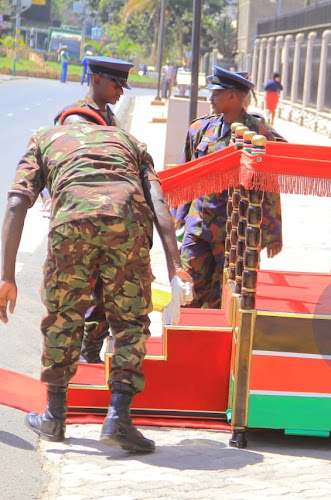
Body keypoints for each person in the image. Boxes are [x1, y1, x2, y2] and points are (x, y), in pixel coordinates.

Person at [0, 109, 192, 453]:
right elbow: (159, 203)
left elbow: (17, 201)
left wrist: (7, 276)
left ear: (64, 124)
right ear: (103, 129)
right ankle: (118, 416)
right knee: (130, 320)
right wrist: (176, 264)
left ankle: (55, 416)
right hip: (128, 223)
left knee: (63, 316)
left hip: (72, 222)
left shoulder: (45, 138)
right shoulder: (130, 141)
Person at [174, 66, 284, 309]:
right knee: (186, 291)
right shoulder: (200, 129)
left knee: (225, 299)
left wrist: (273, 231)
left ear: (233, 96)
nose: (210, 98)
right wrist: (179, 214)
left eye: (216, 93)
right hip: (199, 225)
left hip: (235, 233)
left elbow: (271, 182)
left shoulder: (259, 133)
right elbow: (187, 174)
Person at [53, 56, 135, 364]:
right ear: (96, 80)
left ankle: (90, 350)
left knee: (103, 289)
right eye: (116, 85)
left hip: (108, 218)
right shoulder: (77, 119)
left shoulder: (107, 116)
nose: (120, 92)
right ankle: (66, 362)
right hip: (80, 219)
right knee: (76, 290)